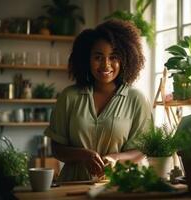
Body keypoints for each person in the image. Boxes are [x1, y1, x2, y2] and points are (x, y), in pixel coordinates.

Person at [44, 19, 153, 182]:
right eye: (98, 57)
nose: (106, 65)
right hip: (72, 185)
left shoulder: (136, 99)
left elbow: (142, 150)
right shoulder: (69, 97)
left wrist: (116, 159)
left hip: (117, 186)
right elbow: (57, 148)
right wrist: (83, 155)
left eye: (113, 57)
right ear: (86, 59)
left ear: (125, 59)